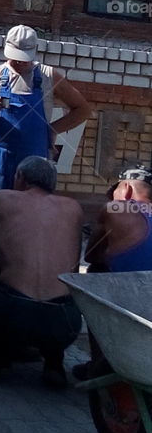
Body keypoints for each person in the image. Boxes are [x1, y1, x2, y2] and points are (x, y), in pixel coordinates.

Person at [0, 155, 84, 388]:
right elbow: (72, 267)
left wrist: (11, 264)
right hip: (64, 322)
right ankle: (54, 363)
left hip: (13, 313)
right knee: (61, 292)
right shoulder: (73, 207)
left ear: (21, 178)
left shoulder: (2, 198)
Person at [0, 24, 90, 199]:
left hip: (33, 161)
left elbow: (83, 110)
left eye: (24, 58)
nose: (20, 63)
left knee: (29, 210)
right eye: (15, 58)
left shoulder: (48, 76)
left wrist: (52, 129)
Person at [72, 162, 152, 382]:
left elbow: (91, 256)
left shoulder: (116, 210)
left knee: (95, 272)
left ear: (125, 189)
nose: (111, 198)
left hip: (132, 302)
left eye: (113, 191)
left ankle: (97, 366)